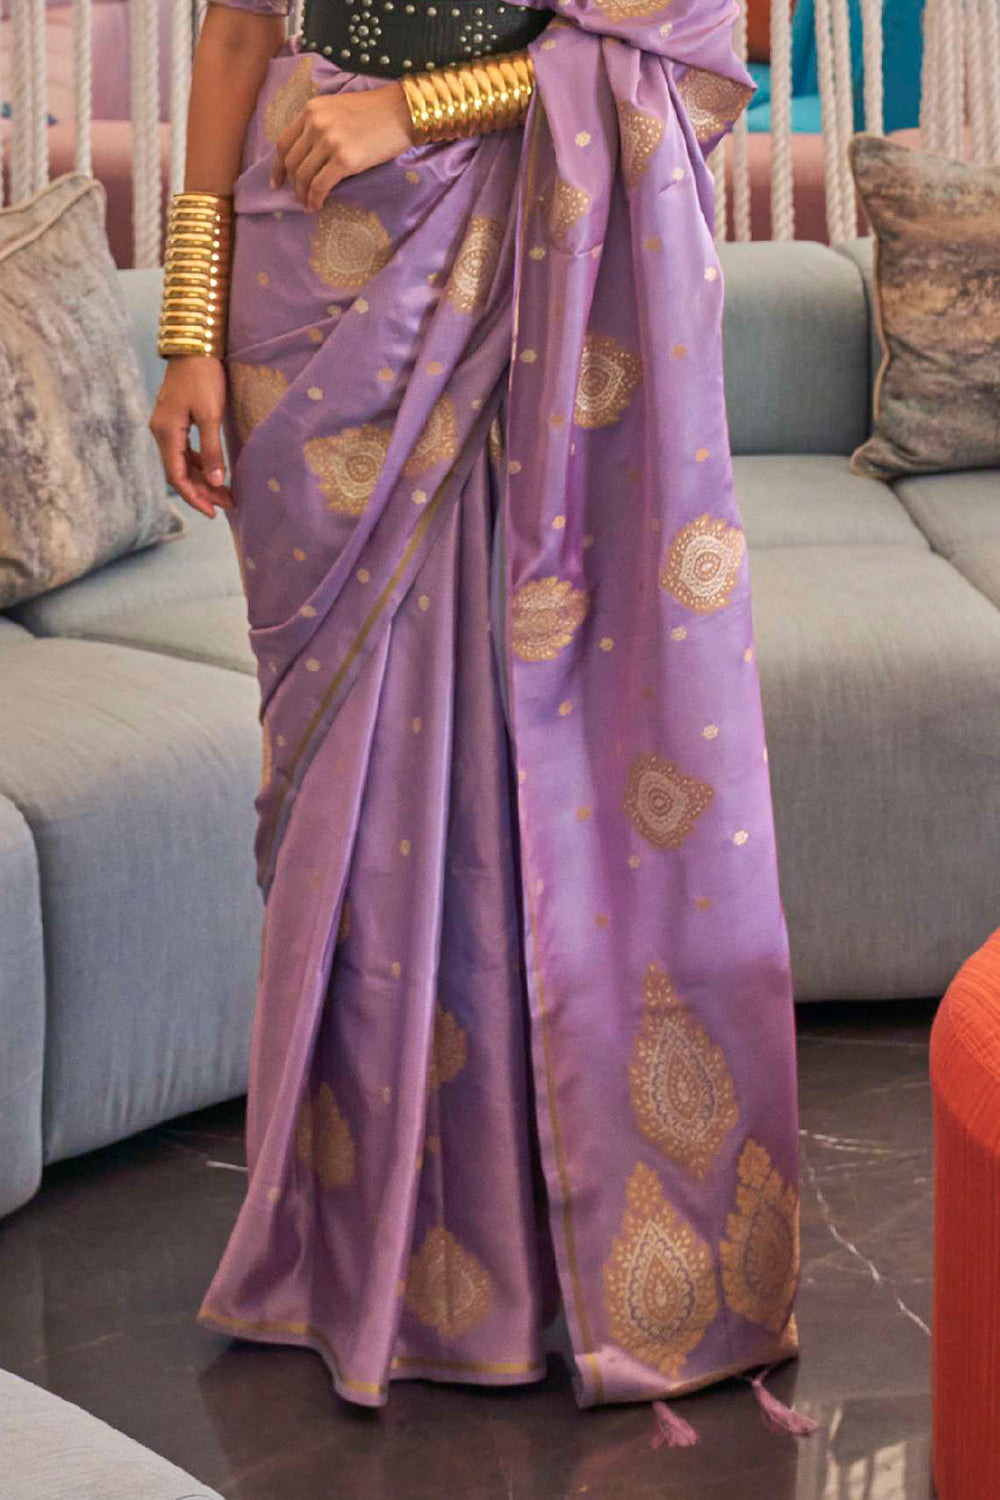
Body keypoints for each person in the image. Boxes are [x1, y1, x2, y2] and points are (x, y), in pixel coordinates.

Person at [149, 0, 815, 1448]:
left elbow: (692, 29)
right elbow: (234, 31)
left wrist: (419, 110)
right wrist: (187, 324)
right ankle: (362, 1245)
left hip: (516, 259)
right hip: (307, 273)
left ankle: (534, 1269)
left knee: (516, 768)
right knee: (357, 782)